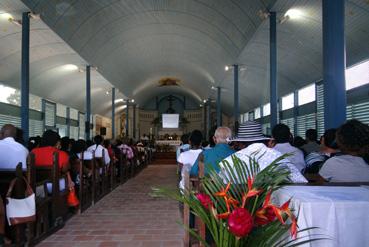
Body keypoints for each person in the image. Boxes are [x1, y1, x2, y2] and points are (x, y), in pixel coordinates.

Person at [219, 121, 307, 183]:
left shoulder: (230, 161)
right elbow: (299, 180)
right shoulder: (277, 156)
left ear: (241, 143)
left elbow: (222, 184)